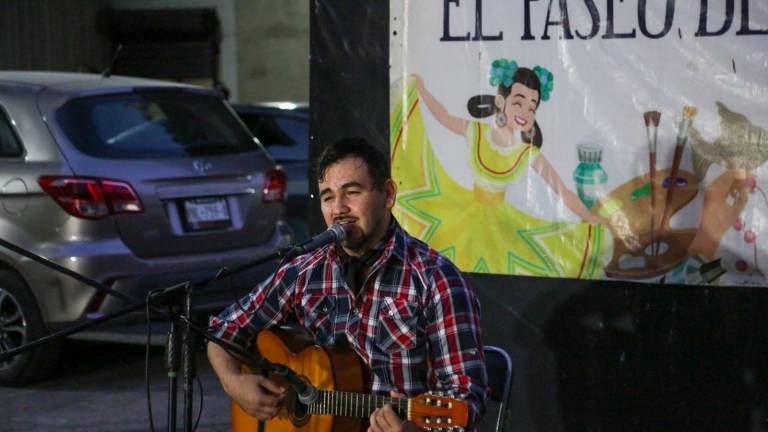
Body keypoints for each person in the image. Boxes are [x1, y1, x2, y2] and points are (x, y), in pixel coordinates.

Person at [207, 138, 487, 431]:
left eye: (352, 192)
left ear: (388, 194)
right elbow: (223, 330)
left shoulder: (435, 279)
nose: (338, 208)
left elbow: (467, 401)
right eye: (328, 197)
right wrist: (233, 382)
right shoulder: (304, 271)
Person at [390, 59, 608, 277]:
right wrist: (421, 90)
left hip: (501, 223)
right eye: (518, 103)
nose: (525, 112)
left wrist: (588, 217)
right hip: (462, 212)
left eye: (532, 108)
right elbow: (444, 117)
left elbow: (561, 190)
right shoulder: (477, 132)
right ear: (501, 101)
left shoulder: (526, 152)